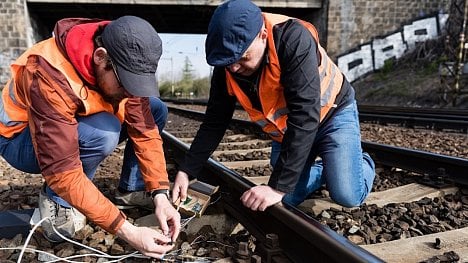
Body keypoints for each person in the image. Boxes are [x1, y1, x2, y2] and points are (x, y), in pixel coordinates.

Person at [0, 16, 180, 258]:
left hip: (60, 128)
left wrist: (160, 194)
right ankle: (58, 204)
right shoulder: (48, 72)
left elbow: (145, 132)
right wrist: (126, 230)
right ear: (100, 57)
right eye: (126, 83)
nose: (130, 91)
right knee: (102, 132)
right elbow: (62, 169)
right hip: (17, 139)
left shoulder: (123, 59)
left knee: (154, 109)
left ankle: (131, 187)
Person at [172, 0, 376, 212]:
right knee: (286, 200)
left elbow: (304, 115)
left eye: (243, 57)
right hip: (289, 130)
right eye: (228, 61)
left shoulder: (293, 39)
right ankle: (328, 169)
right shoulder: (228, 66)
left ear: (262, 34)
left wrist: (276, 188)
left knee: (347, 195)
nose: (233, 67)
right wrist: (187, 170)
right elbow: (215, 121)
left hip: (332, 115)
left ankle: (361, 162)